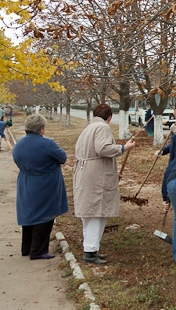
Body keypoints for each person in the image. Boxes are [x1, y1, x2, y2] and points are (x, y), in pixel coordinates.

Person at [73, 103, 135, 264]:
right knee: (97, 213)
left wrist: (113, 173)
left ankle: (90, 247)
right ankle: (90, 251)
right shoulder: (102, 127)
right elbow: (102, 149)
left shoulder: (88, 128)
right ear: (109, 117)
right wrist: (123, 147)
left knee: (89, 212)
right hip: (96, 176)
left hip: (87, 173)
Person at [13, 114, 69, 260]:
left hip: (25, 182)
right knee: (44, 216)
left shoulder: (19, 144)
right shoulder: (47, 144)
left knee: (30, 215)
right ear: (41, 129)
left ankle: (27, 247)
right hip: (45, 184)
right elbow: (62, 157)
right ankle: (38, 250)